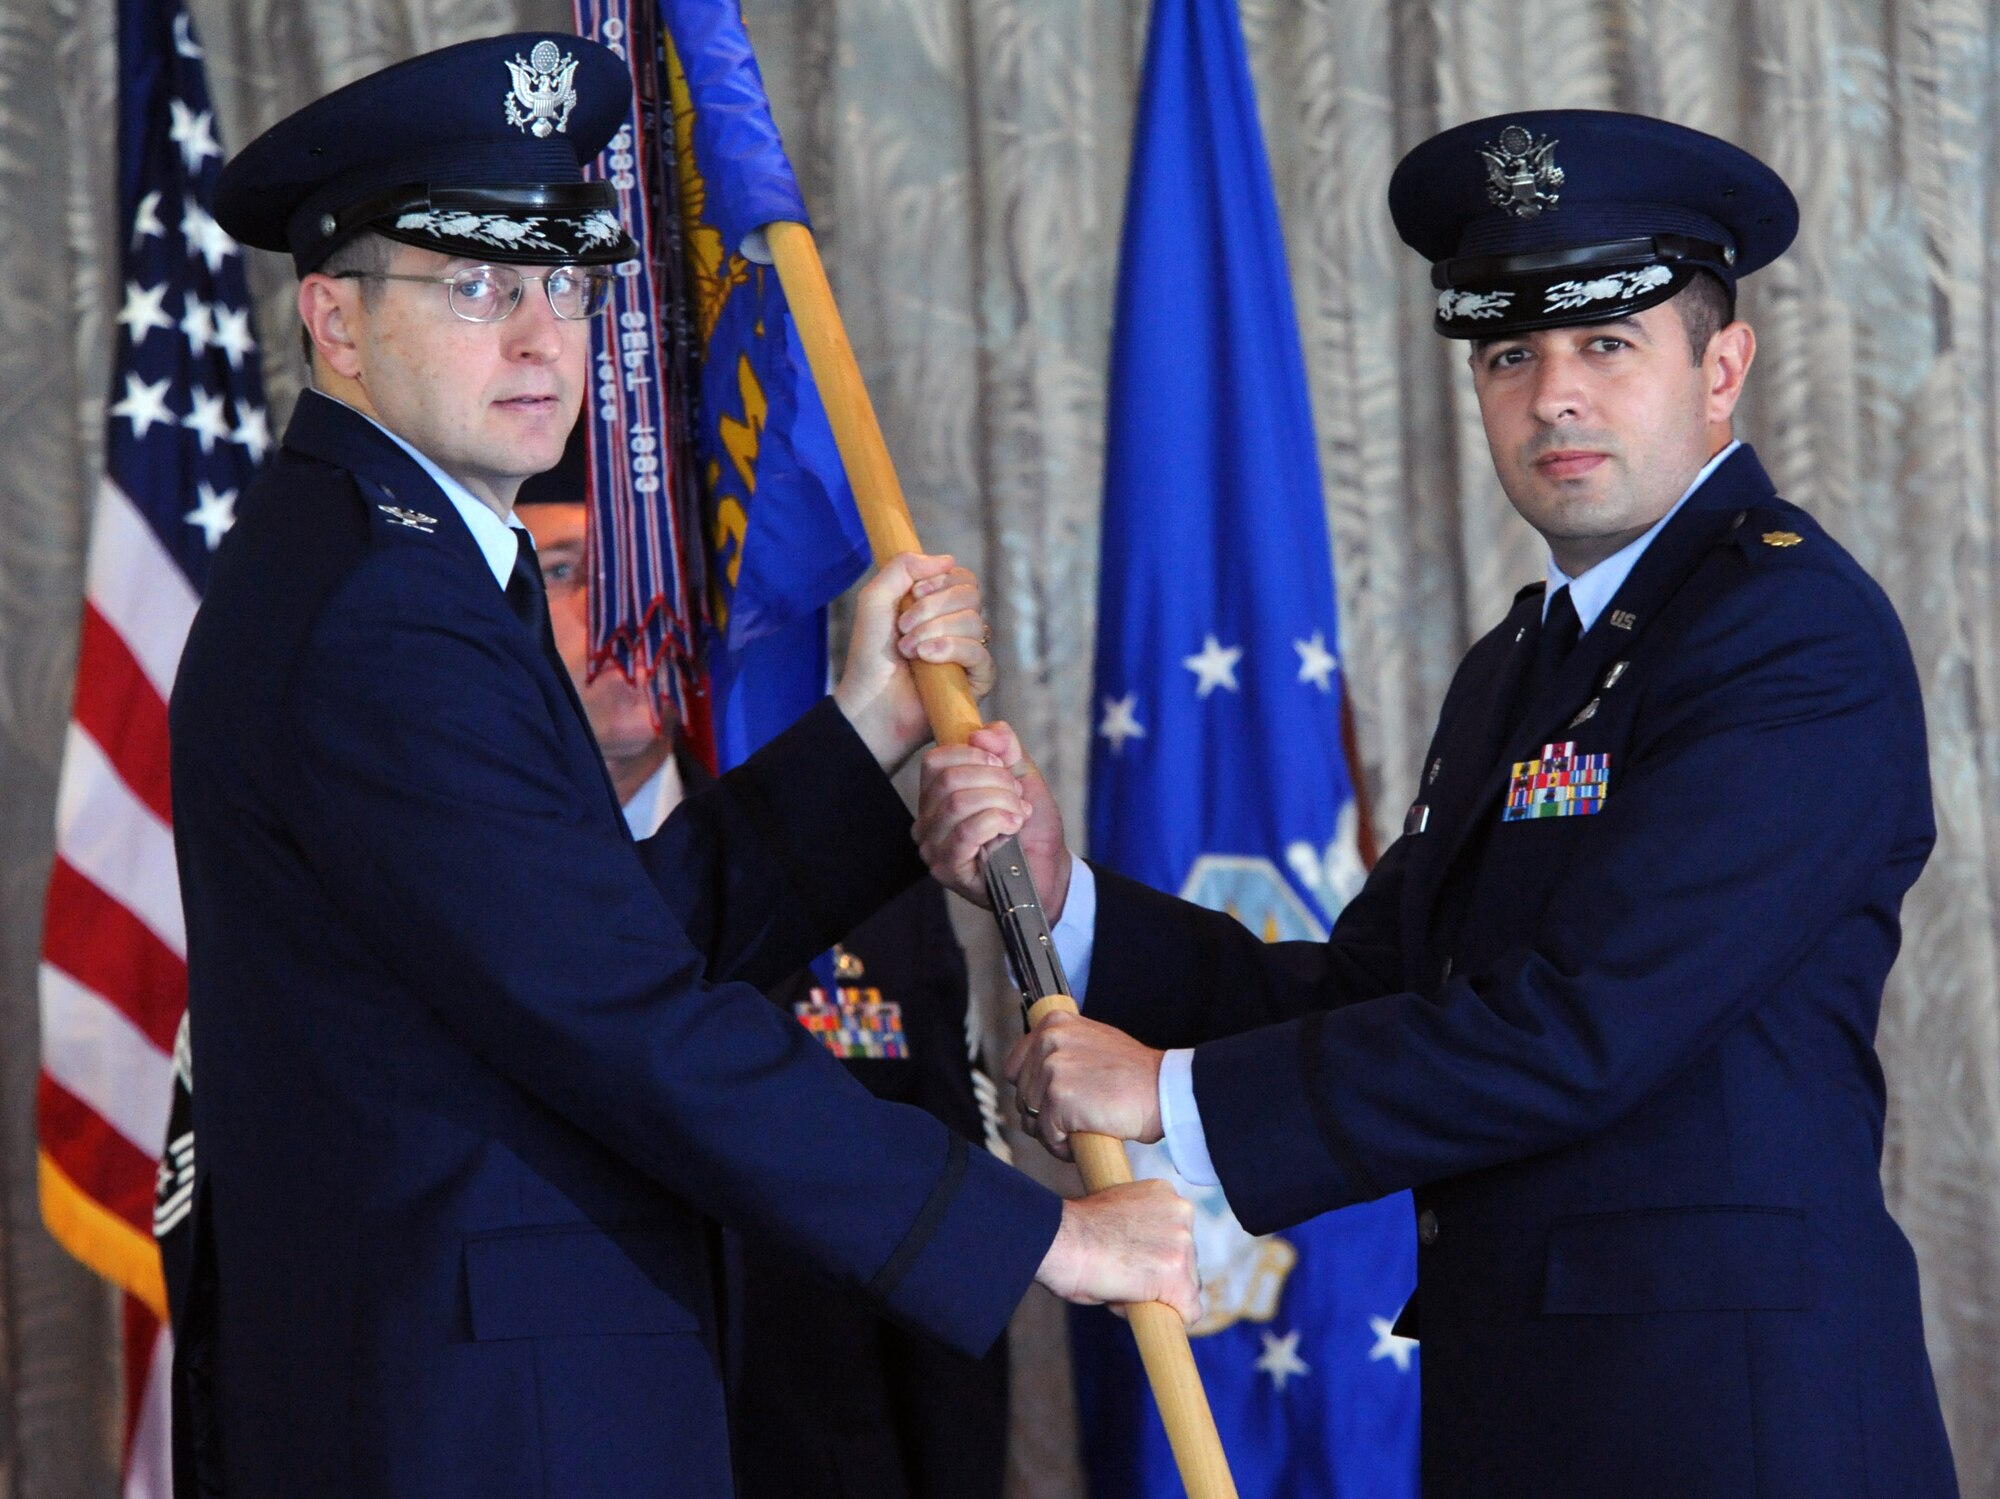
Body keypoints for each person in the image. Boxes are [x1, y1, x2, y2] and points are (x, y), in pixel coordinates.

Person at [170, 34, 1197, 1499]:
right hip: (466, 1422)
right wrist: (1038, 1234)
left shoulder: (416, 563)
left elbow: (596, 940)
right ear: (335, 318)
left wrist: (863, 731)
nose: (541, 338)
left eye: (565, 283)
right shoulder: (378, 612)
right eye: (477, 285)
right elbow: (626, 1017)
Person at [917, 110, 1959, 1497]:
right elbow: (1370, 987)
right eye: (1511, 353)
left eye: (1606, 344)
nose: (1555, 397)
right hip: (1526, 1405)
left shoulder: (1788, 633)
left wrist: (1164, 1089)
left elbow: (1584, 1028)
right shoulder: (1523, 665)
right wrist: (1064, 899)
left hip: (1732, 1418)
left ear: (1723, 368)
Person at [515, 444, 1011, 1499]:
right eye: (560, 570)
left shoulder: (866, 885)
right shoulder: (427, 884)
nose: (612, 613)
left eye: (635, 565)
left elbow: (953, 1283)